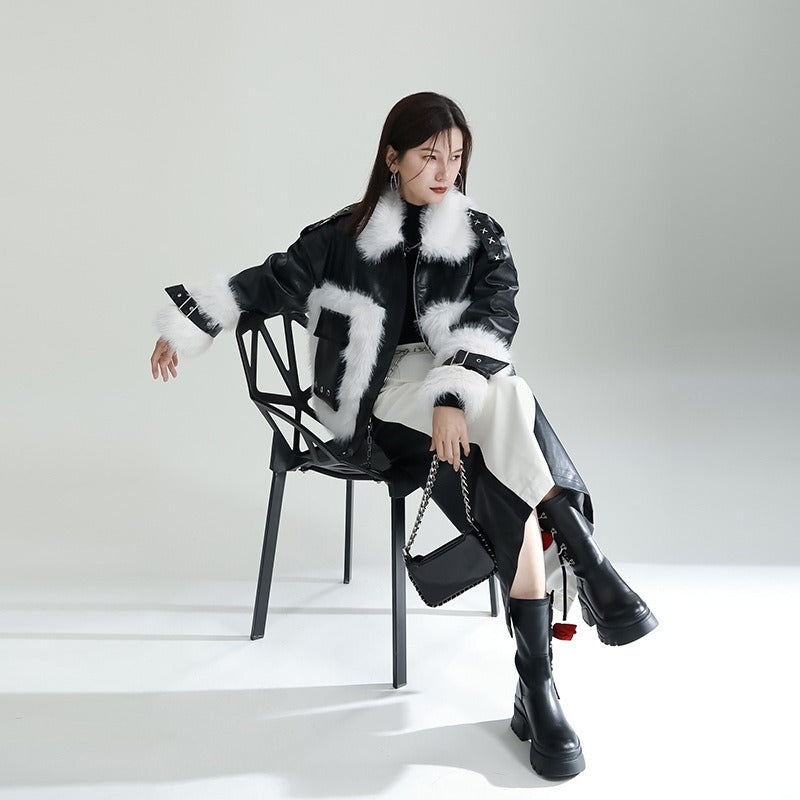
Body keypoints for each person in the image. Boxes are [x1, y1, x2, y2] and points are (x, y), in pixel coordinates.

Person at [149, 91, 657, 780]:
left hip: (461, 389)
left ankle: (537, 683)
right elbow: (270, 282)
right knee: (509, 402)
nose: (446, 171)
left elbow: (495, 318)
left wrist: (451, 392)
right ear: (392, 156)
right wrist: (189, 322)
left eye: (456, 156)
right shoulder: (342, 236)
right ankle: (585, 570)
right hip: (379, 402)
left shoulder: (480, 235)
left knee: (506, 404)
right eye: (429, 155)